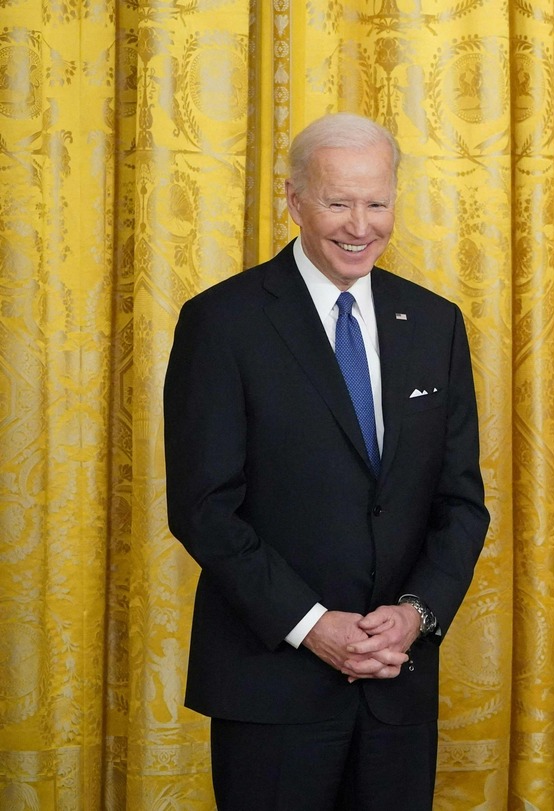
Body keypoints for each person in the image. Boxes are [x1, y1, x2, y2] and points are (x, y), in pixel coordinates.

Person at [163, 112, 489, 810]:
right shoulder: (222, 322)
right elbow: (202, 507)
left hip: (396, 685)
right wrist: (314, 625)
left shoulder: (435, 324)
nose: (359, 225)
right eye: (338, 202)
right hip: (273, 688)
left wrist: (415, 613)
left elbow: (460, 501)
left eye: (377, 203)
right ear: (294, 199)